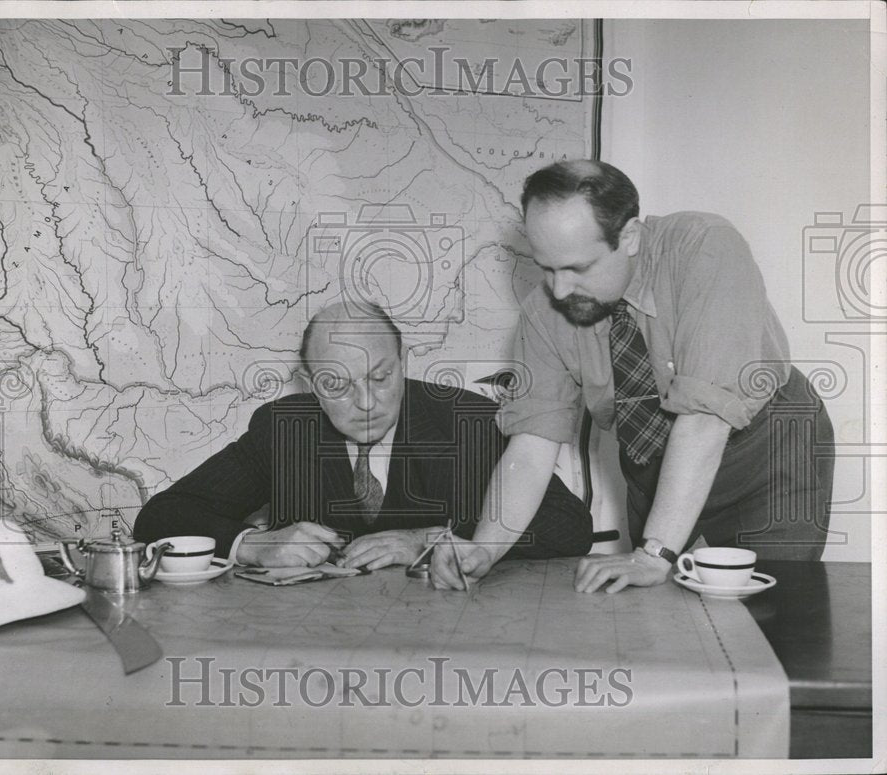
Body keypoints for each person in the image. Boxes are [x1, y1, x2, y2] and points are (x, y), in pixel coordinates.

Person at [432, 159, 834, 592]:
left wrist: (654, 552)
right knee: (652, 613)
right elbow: (532, 443)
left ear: (629, 237)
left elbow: (705, 419)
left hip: (763, 455)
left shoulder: (706, 247)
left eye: (577, 268)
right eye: (546, 268)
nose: (559, 291)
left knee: (769, 615)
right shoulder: (542, 310)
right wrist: (485, 548)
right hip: (656, 463)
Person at [134, 302, 592, 569]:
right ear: (310, 383)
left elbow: (570, 528)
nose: (366, 402)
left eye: (380, 377)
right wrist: (253, 545)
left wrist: (430, 540)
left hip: (443, 653)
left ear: (403, 361)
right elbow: (161, 517)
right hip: (318, 658)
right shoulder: (282, 428)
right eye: (337, 384)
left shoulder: (466, 420)